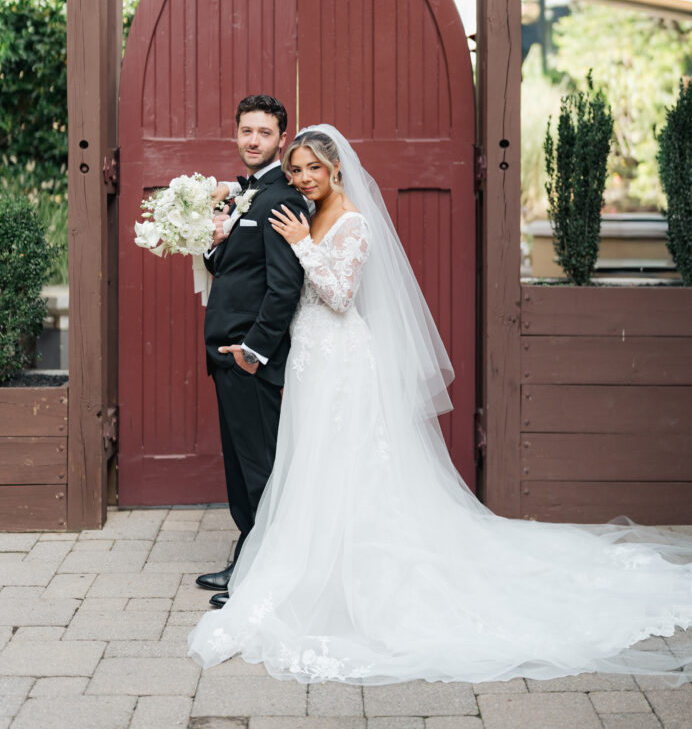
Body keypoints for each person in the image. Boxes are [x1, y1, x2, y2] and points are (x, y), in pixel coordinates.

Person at [188, 124, 692, 684]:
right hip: (308, 356)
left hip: (341, 359)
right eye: (297, 170)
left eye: (314, 169)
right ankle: (311, 563)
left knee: (349, 460)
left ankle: (355, 573)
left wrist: (304, 246)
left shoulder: (352, 221)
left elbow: (340, 296)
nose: (304, 179)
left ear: (336, 169)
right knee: (311, 460)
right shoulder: (304, 212)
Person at [195, 95, 309, 609]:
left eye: (265, 132)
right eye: (247, 131)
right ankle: (247, 558)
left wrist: (253, 351)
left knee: (260, 469)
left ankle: (264, 579)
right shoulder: (245, 195)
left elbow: (285, 287)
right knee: (241, 469)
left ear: (282, 139)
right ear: (236, 133)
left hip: (248, 357)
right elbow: (231, 266)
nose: (254, 140)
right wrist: (212, 239)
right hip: (225, 353)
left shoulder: (281, 199)